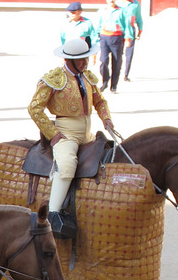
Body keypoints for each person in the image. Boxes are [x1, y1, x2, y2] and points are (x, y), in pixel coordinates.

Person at [27, 38, 116, 238]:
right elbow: (34, 108)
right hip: (67, 133)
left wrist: (107, 119)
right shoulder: (54, 78)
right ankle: (53, 213)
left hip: (88, 133)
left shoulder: (88, 77)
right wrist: (53, 134)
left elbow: (100, 101)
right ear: (69, 60)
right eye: (81, 59)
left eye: (86, 58)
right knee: (67, 165)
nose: (85, 62)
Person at [97, 0, 132, 94]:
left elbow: (127, 26)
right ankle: (105, 81)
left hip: (117, 38)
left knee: (116, 62)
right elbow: (98, 25)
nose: (111, 0)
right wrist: (96, 37)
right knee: (103, 61)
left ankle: (114, 86)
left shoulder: (121, 11)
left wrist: (128, 38)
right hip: (104, 37)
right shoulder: (102, 10)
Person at [118, 0, 143, 82]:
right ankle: (117, 72)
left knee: (129, 53)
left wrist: (140, 30)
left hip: (131, 30)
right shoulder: (117, 2)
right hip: (119, 30)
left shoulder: (135, 4)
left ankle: (126, 74)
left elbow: (139, 18)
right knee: (118, 52)